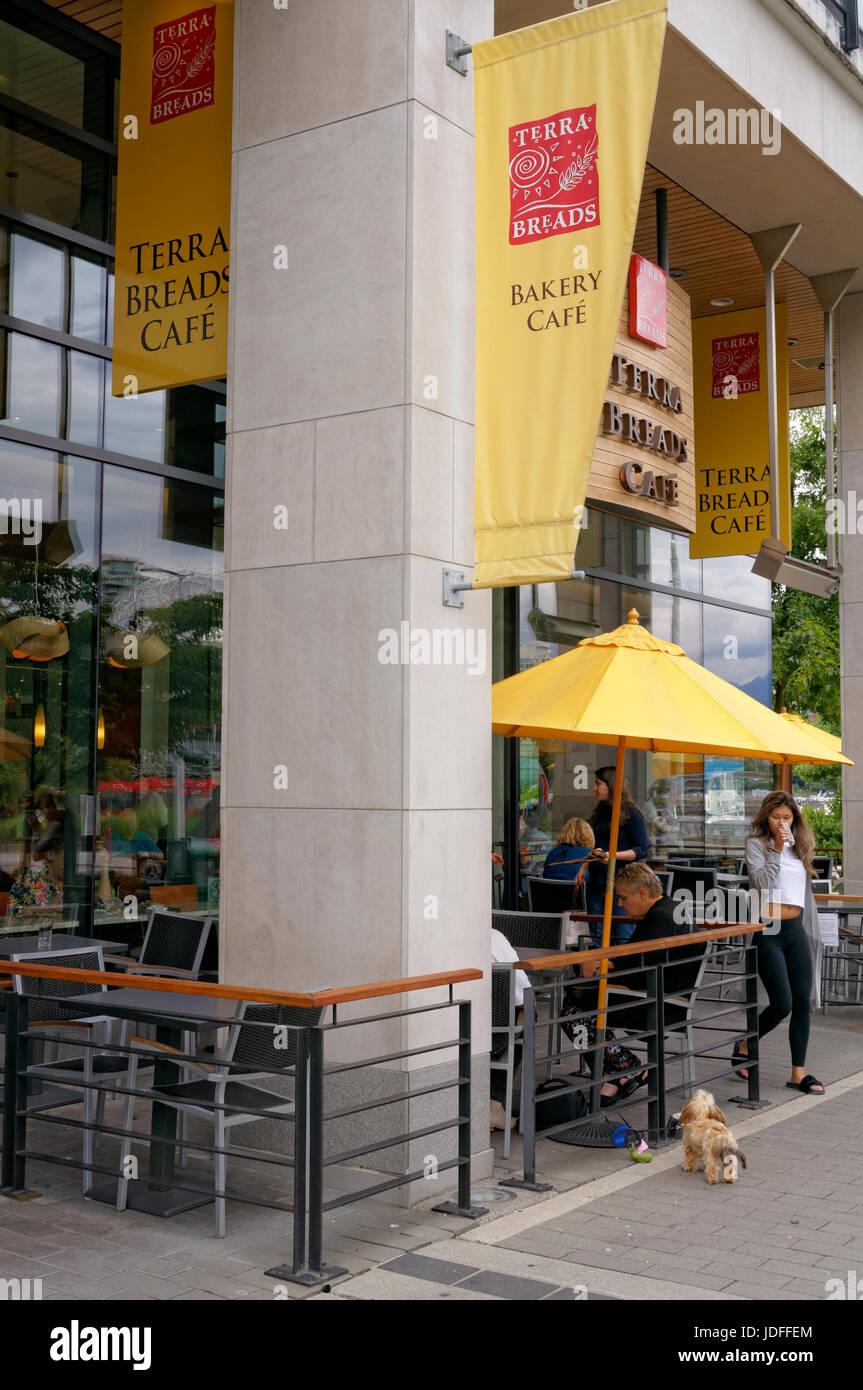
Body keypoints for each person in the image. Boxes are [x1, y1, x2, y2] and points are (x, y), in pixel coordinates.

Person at [564, 861, 690, 1105]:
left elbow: (636, 968)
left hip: (655, 1006)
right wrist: (608, 965)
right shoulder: (673, 909)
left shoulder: (658, 920)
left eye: (623, 898)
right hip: (670, 999)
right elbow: (640, 963)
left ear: (642, 893)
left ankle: (624, 1068)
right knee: (579, 997)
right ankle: (615, 1070)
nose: (620, 904)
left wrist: (602, 966)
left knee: (571, 1011)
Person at [740, 792, 824, 1095]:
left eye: (787, 818)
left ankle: (798, 1074)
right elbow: (761, 883)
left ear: (794, 818)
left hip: (795, 928)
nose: (781, 823)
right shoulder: (756, 844)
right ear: (767, 817)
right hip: (769, 928)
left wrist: (789, 847)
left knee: (803, 1003)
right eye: (776, 817)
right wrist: (776, 847)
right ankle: (747, 1042)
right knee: (782, 1003)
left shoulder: (799, 847)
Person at [575, 767, 650, 944]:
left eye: (598, 784)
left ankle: (621, 971)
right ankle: (601, 971)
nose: (594, 788)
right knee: (596, 936)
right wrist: (585, 865)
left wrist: (613, 855)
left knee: (622, 935)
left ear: (611, 785)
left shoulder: (631, 813)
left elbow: (642, 848)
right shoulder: (600, 811)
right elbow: (598, 847)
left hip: (622, 884)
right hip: (597, 882)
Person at [490, 927, 531, 1131]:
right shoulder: (495, 939)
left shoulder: (437, 938)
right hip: (492, 1039)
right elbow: (524, 996)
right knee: (526, 1017)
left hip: (451, 1032)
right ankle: (493, 1106)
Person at [7, 825, 63, 916]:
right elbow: (12, 910)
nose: (70, 866)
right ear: (51, 854)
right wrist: (46, 909)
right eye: (64, 859)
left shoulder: (76, 885)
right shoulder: (28, 880)